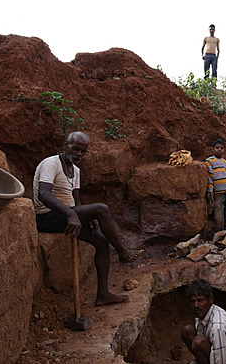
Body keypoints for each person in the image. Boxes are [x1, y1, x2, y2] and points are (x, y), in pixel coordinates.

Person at [32, 131, 143, 306]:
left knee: (101, 242)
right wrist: (72, 214)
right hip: (46, 216)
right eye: (75, 149)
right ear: (65, 145)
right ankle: (122, 252)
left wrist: (84, 217)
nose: (78, 154)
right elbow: (44, 195)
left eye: (83, 152)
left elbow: (75, 200)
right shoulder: (50, 163)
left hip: (65, 214)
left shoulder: (75, 170)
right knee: (102, 208)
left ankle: (103, 294)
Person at [181, 279, 226, 364]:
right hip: (216, 355)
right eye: (193, 301)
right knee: (187, 331)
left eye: (200, 300)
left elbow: (221, 362)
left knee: (198, 342)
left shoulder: (218, 328)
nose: (196, 305)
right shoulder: (202, 314)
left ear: (210, 299)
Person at [205, 138, 226, 233]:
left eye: (221, 148)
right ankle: (219, 236)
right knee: (218, 217)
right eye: (217, 147)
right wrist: (210, 193)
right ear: (213, 149)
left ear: (224, 150)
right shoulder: (209, 161)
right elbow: (210, 178)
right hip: (218, 193)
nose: (219, 149)